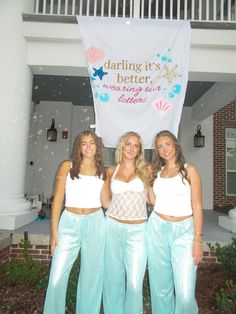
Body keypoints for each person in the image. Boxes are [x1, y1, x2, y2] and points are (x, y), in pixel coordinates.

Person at [43, 130, 110, 314]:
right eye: (84, 143)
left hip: (96, 222)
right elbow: (57, 199)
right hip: (69, 223)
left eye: (92, 143)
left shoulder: (103, 172)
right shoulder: (67, 166)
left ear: (97, 147)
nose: (88, 147)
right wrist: (54, 231)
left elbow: (107, 202)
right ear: (78, 147)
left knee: (92, 275)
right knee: (57, 276)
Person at [147, 130, 203, 314]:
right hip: (157, 228)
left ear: (175, 145)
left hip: (184, 231)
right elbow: (153, 201)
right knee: (160, 287)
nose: (164, 149)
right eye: (160, 146)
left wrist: (197, 240)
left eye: (167, 144)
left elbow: (197, 207)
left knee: (185, 292)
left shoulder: (189, 170)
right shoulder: (158, 172)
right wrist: (148, 180)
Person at [103, 131, 150, 314]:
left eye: (136, 145)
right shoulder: (110, 171)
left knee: (134, 283)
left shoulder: (147, 169)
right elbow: (106, 202)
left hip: (138, 230)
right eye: (128, 144)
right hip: (113, 226)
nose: (131, 148)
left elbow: (153, 199)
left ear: (139, 149)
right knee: (113, 279)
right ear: (121, 146)